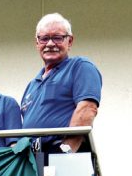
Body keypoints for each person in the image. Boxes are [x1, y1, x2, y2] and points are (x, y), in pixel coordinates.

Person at [20, 13, 102, 153]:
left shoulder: (80, 67)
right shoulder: (32, 85)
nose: (50, 44)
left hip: (64, 153)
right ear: (37, 43)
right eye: (44, 38)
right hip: (34, 157)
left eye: (57, 38)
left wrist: (66, 151)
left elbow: (87, 109)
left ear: (69, 41)